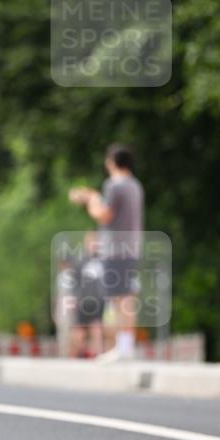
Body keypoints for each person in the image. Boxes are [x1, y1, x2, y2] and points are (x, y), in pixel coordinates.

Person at [69, 143, 144, 362]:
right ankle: (126, 346)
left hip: (115, 249)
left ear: (111, 162)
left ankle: (121, 348)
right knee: (127, 297)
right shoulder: (135, 185)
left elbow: (104, 215)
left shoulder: (113, 185)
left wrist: (90, 200)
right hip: (132, 246)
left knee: (118, 300)